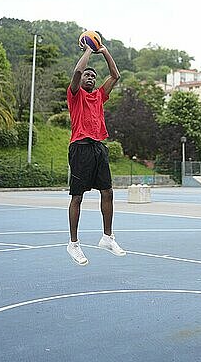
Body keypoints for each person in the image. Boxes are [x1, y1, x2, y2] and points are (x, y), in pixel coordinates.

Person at [66, 40, 125, 265]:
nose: (90, 77)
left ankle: (108, 237)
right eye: (87, 76)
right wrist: (89, 49)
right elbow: (78, 70)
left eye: (93, 76)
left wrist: (105, 51)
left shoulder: (100, 95)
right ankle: (73, 244)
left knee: (108, 192)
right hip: (80, 146)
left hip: (98, 146)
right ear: (80, 82)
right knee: (77, 197)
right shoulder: (75, 94)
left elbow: (116, 75)